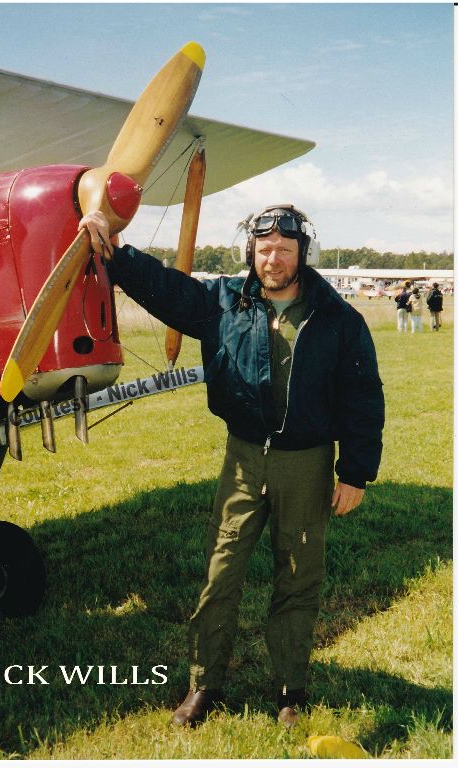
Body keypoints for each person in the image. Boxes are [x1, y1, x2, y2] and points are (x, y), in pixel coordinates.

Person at [78, 204, 385, 729]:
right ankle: (204, 684)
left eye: (285, 250)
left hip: (306, 462)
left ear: (300, 255)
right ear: (252, 252)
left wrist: (355, 472)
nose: (274, 258)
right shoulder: (222, 302)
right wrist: (116, 252)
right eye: (265, 249)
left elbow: (363, 398)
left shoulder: (338, 319)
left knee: (297, 576)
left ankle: (290, 689)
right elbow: (165, 289)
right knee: (221, 573)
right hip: (243, 457)